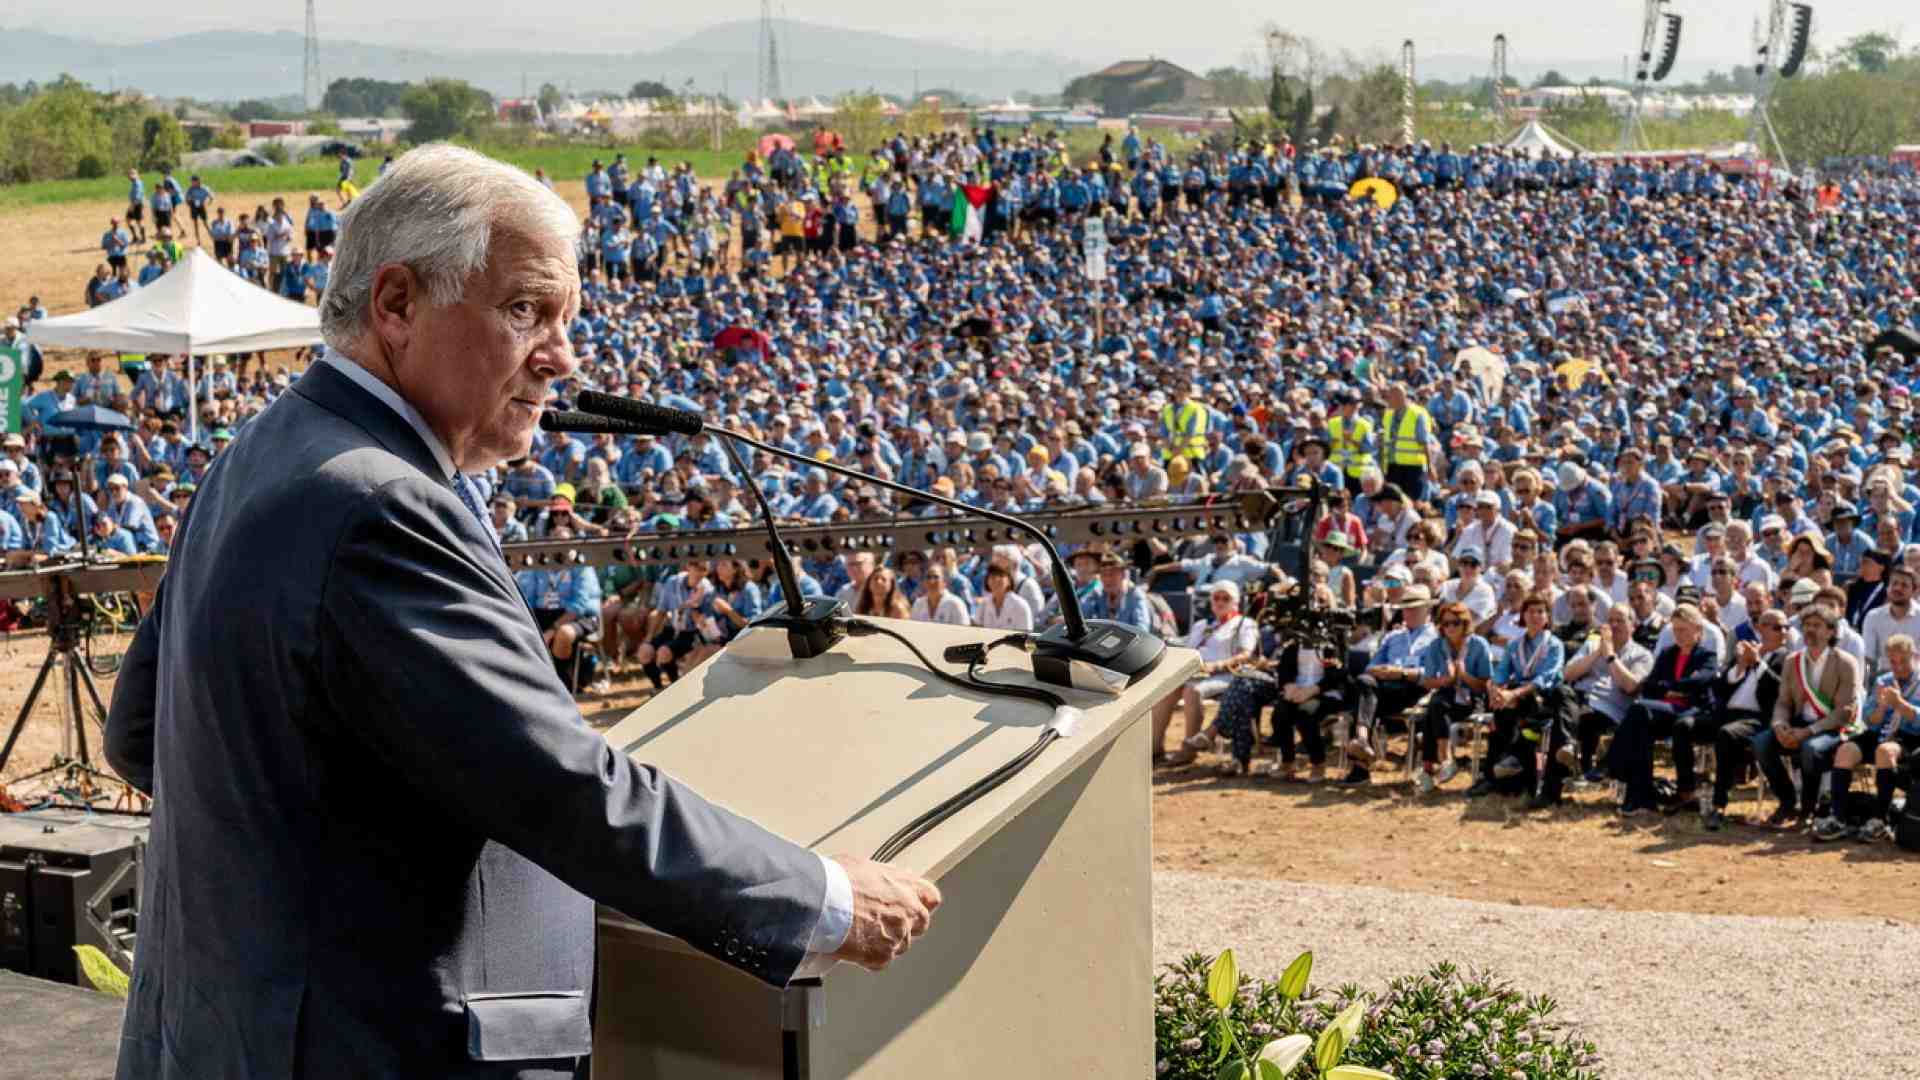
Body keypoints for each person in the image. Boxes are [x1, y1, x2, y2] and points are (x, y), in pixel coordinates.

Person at [103, 145, 936, 1080]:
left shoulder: (271, 442)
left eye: (565, 317)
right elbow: (560, 790)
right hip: (371, 1045)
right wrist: (825, 899)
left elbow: (141, 733)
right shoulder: (381, 501)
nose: (562, 356)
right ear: (396, 305)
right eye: (524, 310)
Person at [1754, 601, 1861, 830]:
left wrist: (1808, 732)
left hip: (1830, 728)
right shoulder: (1793, 661)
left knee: (1810, 749)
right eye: (1807, 625)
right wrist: (1780, 725)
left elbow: (1844, 712)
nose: (1810, 630)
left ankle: (1808, 807)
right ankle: (1787, 801)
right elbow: (1783, 702)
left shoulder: (1845, 663)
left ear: (1831, 631)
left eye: (1817, 625)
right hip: (1797, 724)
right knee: (1761, 743)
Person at [1609, 603, 1721, 816]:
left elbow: (1699, 682)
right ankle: (1641, 799)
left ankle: (1614, 767)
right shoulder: (1669, 653)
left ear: (1698, 630)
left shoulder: (1707, 656)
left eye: (1683, 630)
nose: (1677, 635)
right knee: (1640, 721)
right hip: (1664, 710)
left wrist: (1668, 687)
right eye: (1675, 630)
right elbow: (1650, 685)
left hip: (1692, 712)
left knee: (1638, 710)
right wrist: (1673, 689)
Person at [1155, 581, 1256, 767]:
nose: (1220, 602)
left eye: (1226, 598)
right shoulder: (1202, 624)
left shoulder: (1244, 624)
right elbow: (1188, 650)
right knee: (1167, 689)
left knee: (1192, 691)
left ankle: (1189, 748)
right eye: (1216, 597)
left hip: (1227, 675)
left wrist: (1217, 665)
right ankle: (1155, 747)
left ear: (1236, 603)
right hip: (1197, 672)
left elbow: (1246, 655)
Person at [1344, 584, 1438, 785]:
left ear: (1427, 609)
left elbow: (1434, 675)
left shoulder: (1437, 638)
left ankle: (1360, 763)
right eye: (1406, 608)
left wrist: (1401, 673)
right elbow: (1370, 667)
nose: (1409, 612)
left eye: (1415, 607)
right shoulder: (1393, 636)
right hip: (1385, 686)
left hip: (1416, 689)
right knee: (1364, 683)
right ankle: (1362, 741)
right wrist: (1384, 672)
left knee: (1363, 699)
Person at [1414, 600, 1493, 794]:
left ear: (1465, 623)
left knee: (1431, 713)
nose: (1450, 627)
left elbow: (1485, 684)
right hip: (1446, 695)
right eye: (1445, 623)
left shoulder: (1478, 644)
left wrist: (1464, 675)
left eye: (1455, 623)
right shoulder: (1436, 646)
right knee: (1437, 704)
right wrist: (1446, 679)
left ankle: (1429, 769)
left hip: (1472, 697)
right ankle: (1446, 758)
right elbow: (1427, 681)